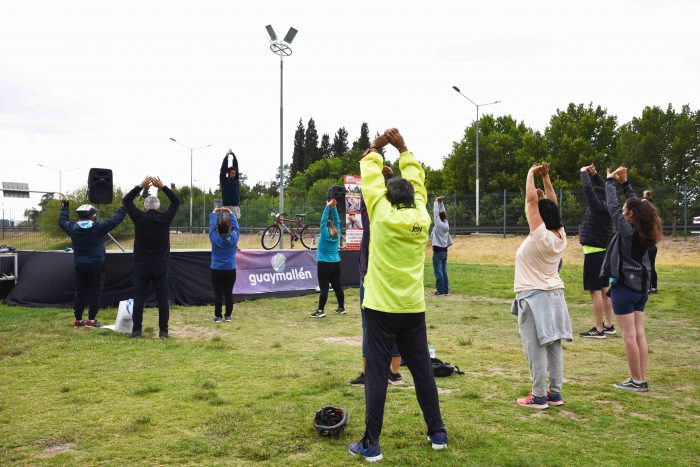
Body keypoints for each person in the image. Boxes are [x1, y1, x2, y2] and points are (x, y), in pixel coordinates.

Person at [348, 128, 446, 462]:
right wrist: (403, 148)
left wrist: (376, 146)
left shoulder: (381, 214)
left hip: (379, 309)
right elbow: (418, 183)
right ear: (413, 199)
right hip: (412, 309)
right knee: (422, 373)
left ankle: (371, 444)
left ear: (387, 198)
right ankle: (438, 433)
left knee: (377, 376)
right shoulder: (422, 215)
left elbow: (369, 174)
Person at [511, 162, 572, 410]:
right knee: (554, 346)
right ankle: (554, 394)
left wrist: (530, 174)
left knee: (535, 349)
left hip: (534, 298)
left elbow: (530, 203)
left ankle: (537, 397)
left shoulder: (539, 235)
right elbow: (552, 205)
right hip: (555, 296)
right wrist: (546, 179)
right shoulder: (560, 235)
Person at [603, 167, 661, 392]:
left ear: (630, 215)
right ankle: (641, 377)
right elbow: (641, 207)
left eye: (627, 209)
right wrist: (625, 184)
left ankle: (636, 381)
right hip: (640, 289)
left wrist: (610, 181)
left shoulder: (627, 230)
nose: (624, 210)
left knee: (629, 336)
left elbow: (612, 206)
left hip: (625, 288)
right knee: (638, 334)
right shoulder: (646, 229)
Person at [348, 165, 403, 388]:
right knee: (395, 325)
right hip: (391, 277)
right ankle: (395, 373)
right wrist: (389, 177)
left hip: (370, 277)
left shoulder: (372, 220)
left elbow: (365, 199)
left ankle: (368, 374)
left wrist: (372, 172)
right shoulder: (397, 218)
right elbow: (396, 195)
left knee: (368, 328)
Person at [123, 176, 181, 339]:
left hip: (141, 265)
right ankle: (163, 332)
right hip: (161, 266)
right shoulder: (164, 219)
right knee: (163, 300)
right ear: (159, 207)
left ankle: (136, 331)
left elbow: (126, 201)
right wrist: (163, 187)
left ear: (144, 206)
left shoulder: (139, 218)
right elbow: (176, 202)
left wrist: (140, 186)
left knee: (139, 300)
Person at [58, 198, 127, 328]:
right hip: (96, 265)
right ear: (93, 216)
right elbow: (115, 220)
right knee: (95, 292)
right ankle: (91, 320)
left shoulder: (73, 228)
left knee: (80, 291)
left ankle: (78, 320)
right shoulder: (98, 227)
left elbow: (62, 222)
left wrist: (65, 207)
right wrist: (125, 207)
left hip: (80, 265)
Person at [578, 164, 616, 339]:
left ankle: (598, 329)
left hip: (594, 253)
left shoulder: (597, 207)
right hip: (604, 252)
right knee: (605, 289)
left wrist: (584, 172)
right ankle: (608, 325)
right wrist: (596, 175)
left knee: (595, 291)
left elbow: (587, 189)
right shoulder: (610, 207)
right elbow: (607, 190)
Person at [310, 199, 345, 317]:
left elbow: (323, 221)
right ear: (334, 227)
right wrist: (333, 208)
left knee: (324, 289)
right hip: (336, 264)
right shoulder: (337, 233)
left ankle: (320, 311)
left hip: (324, 264)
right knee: (338, 287)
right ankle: (341, 308)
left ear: (325, 227)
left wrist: (327, 207)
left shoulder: (324, 234)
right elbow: (337, 220)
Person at [209, 207, 240, 323]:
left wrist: (214, 213)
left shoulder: (214, 238)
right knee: (228, 294)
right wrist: (231, 213)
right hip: (230, 270)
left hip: (216, 270)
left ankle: (218, 317)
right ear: (228, 230)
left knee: (218, 294)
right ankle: (228, 316)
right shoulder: (234, 237)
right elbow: (236, 227)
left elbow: (212, 227)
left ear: (219, 229)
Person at [431, 195, 453, 296]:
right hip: (444, 251)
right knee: (444, 271)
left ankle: (440, 290)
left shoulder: (438, 224)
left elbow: (436, 214)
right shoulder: (446, 223)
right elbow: (442, 213)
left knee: (438, 271)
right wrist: (441, 203)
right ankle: (445, 290)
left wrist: (436, 202)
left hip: (438, 252)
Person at [643, 190, 659, 294]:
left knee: (646, 267)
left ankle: (648, 287)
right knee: (652, 266)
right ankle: (654, 287)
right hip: (653, 246)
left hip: (647, 246)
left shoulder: (645, 219)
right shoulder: (654, 217)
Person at [220, 149, 241, 219]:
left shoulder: (236, 181)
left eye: (234, 173)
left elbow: (236, 168)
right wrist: (226, 156)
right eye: (232, 173)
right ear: (228, 173)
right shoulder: (224, 180)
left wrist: (234, 157)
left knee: (236, 224)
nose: (234, 175)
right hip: (227, 206)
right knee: (227, 224)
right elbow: (223, 170)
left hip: (236, 206)